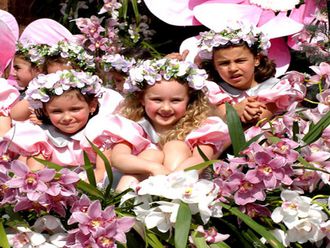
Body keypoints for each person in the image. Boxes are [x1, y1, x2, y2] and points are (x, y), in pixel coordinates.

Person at [85, 58, 230, 191]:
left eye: (175, 101)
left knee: (176, 146)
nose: (166, 108)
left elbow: (199, 161)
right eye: (157, 100)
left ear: (189, 100)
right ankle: (125, 205)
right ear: (142, 99)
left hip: (183, 183)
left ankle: (168, 199)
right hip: (131, 182)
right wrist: (152, 168)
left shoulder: (201, 127)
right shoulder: (131, 126)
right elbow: (119, 159)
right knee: (152, 155)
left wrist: (170, 180)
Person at [3, 70, 108, 184]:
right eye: (57, 111)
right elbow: (36, 173)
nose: (67, 117)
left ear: (92, 106)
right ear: (45, 111)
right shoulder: (41, 138)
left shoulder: (100, 134)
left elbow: (100, 173)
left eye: (75, 109)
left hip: (91, 187)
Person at [196, 21, 306, 126]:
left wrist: (232, 114)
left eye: (240, 61)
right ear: (214, 65)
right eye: (224, 63)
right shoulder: (212, 92)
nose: (233, 68)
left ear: (256, 59)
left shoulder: (274, 89)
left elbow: (257, 120)